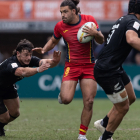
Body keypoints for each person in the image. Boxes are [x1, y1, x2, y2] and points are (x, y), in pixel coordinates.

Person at [32, 0, 104, 139]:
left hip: (89, 66)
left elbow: (101, 41)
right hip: (71, 66)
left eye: (65, 12)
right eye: (61, 12)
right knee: (66, 99)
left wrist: (96, 33)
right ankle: (62, 95)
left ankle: (82, 136)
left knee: (89, 101)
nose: (62, 15)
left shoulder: (89, 20)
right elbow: (53, 40)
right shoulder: (60, 26)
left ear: (74, 11)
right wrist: (44, 49)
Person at [93, 0, 140, 139]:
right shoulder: (135, 22)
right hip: (107, 69)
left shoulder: (124, 19)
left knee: (130, 98)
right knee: (123, 107)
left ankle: (103, 123)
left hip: (113, 66)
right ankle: (106, 137)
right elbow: (131, 39)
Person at [0, 39, 61, 136]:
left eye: (30, 55)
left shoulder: (28, 60)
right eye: (25, 55)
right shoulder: (12, 63)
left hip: (8, 87)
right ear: (18, 53)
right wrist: (37, 69)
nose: (28, 58)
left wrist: (55, 61)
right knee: (3, 117)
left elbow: (45, 62)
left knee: (15, 113)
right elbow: (21, 72)